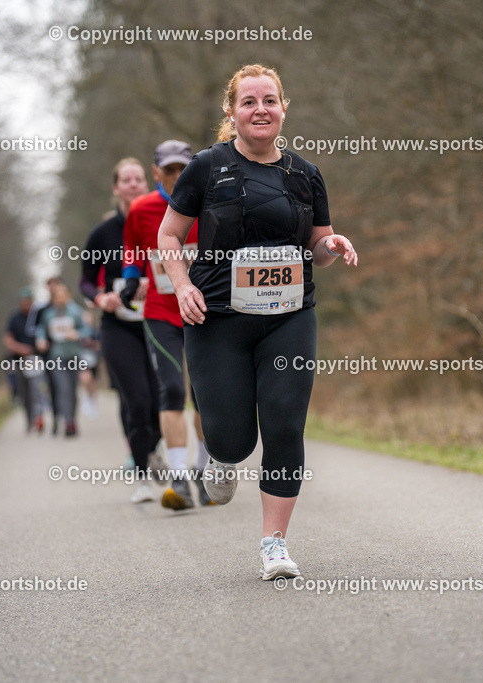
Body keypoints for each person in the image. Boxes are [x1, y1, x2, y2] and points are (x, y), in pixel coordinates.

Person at [158, 64, 358, 579]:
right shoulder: (205, 167)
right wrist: (182, 285)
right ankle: (221, 458)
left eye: (269, 100)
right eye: (249, 102)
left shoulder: (305, 174)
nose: (260, 109)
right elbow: (170, 237)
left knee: (285, 423)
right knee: (231, 438)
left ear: (284, 108)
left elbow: (317, 245)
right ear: (232, 113)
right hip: (217, 318)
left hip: (289, 316)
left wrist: (331, 246)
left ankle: (274, 543)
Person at [125, 140, 212, 511]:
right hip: (161, 312)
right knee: (173, 389)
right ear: (156, 172)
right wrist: (130, 277)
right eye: (170, 170)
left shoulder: (209, 201)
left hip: (206, 312)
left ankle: (202, 472)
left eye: (183, 168)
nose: (178, 176)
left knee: (207, 397)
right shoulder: (142, 209)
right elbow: (132, 249)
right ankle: (178, 478)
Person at [79, 157, 163, 503]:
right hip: (118, 329)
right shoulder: (102, 233)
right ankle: (142, 475)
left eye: (138, 179)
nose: (133, 185)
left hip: (159, 323)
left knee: (163, 399)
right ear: (116, 188)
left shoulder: (161, 224)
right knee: (137, 400)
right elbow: (84, 281)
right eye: (126, 180)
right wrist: (101, 298)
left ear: (147, 184)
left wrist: (155, 284)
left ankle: (154, 445)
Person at [35, 284, 90, 437]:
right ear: (53, 299)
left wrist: (77, 334)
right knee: (63, 389)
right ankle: (68, 422)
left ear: (67, 296)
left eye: (62, 295)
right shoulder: (49, 315)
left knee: (72, 390)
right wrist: (41, 340)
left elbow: (87, 329)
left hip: (74, 356)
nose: (60, 299)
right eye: (57, 296)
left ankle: (72, 419)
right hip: (56, 357)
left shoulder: (75, 312)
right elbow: (41, 330)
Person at [27, 275, 63, 435]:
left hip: (64, 354)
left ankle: (63, 418)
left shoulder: (66, 306)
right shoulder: (40, 308)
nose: (53, 288)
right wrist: (41, 338)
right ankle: (47, 417)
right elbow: (31, 329)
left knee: (61, 387)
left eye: (56, 285)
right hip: (44, 355)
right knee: (45, 387)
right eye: (51, 285)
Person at [3, 287, 40, 433]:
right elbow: (7, 340)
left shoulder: (38, 317)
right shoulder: (14, 318)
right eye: (22, 302)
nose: (25, 304)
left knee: (37, 390)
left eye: (27, 302)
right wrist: (21, 349)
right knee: (24, 392)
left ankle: (39, 417)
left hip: (38, 360)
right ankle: (29, 421)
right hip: (19, 361)